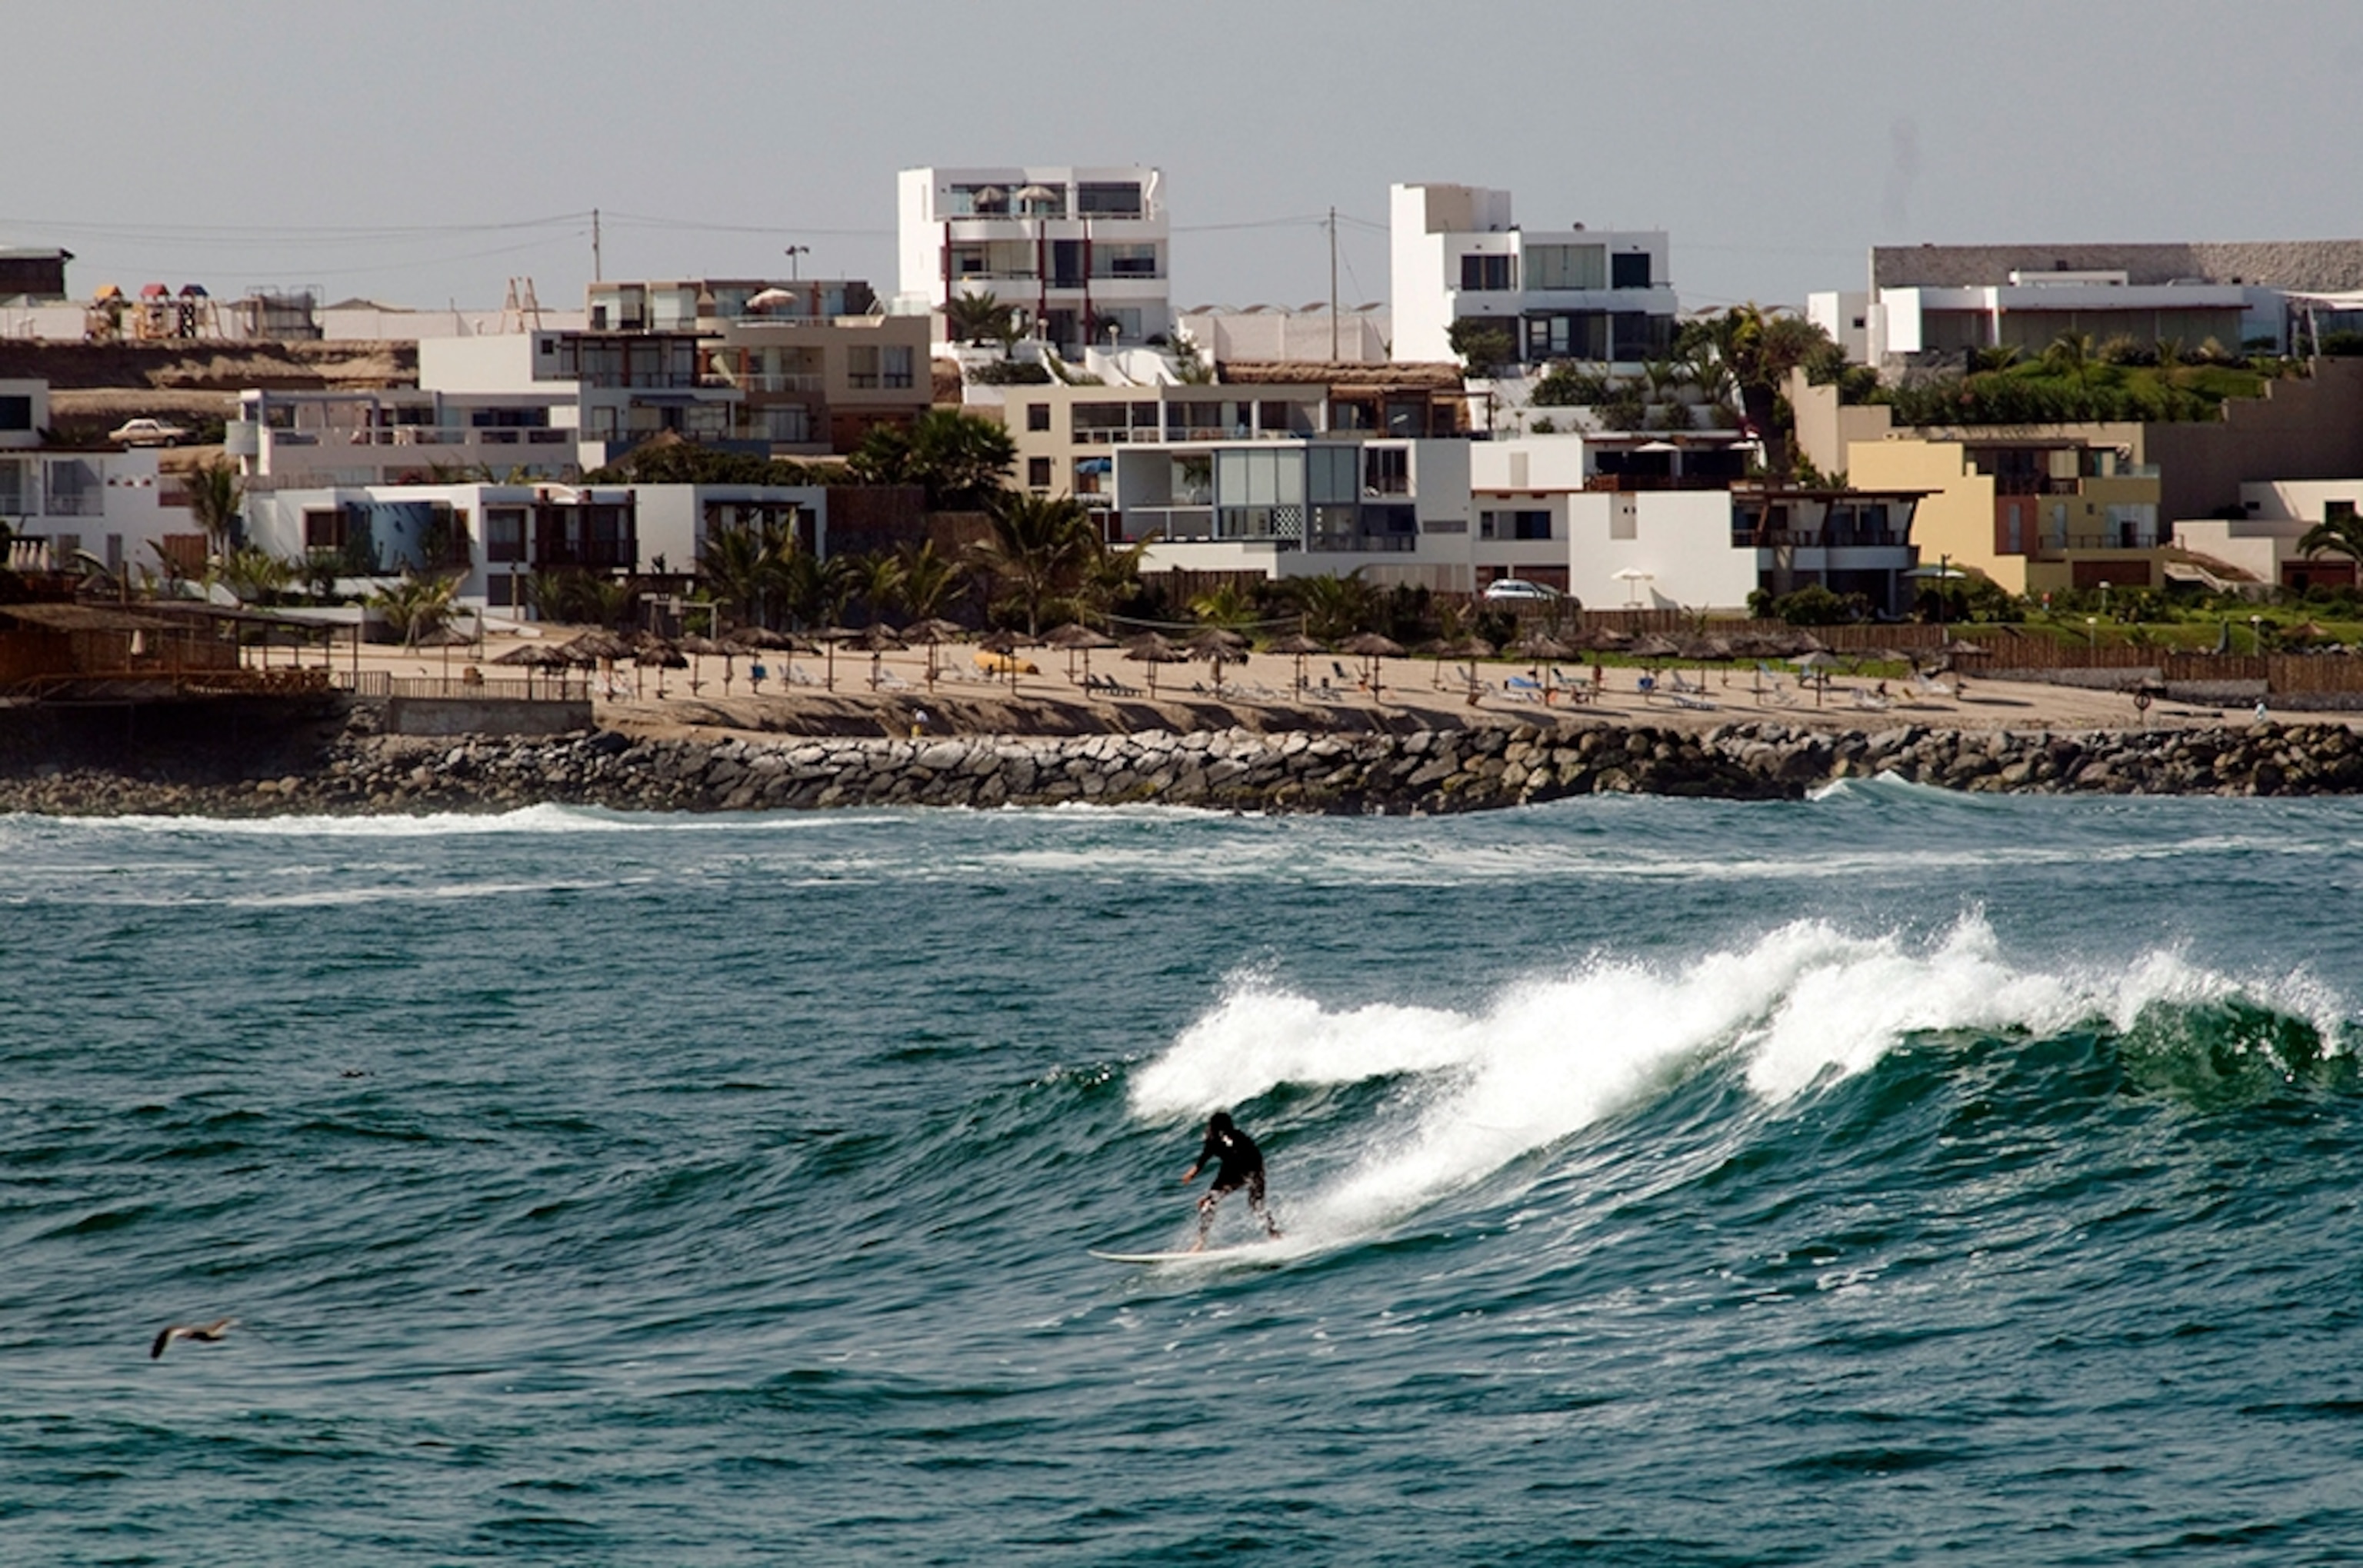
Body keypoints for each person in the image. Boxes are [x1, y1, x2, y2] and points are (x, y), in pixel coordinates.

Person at [1181, 1110, 1279, 1250]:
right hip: (1255, 1169)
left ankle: (1200, 1243)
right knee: (1257, 1205)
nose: (1207, 1129)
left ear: (1214, 1128)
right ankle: (1275, 1235)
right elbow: (1255, 1157)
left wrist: (1195, 1178)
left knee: (1209, 1203)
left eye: (1209, 1126)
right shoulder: (1240, 1136)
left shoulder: (1213, 1141)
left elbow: (1203, 1162)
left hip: (1237, 1169)